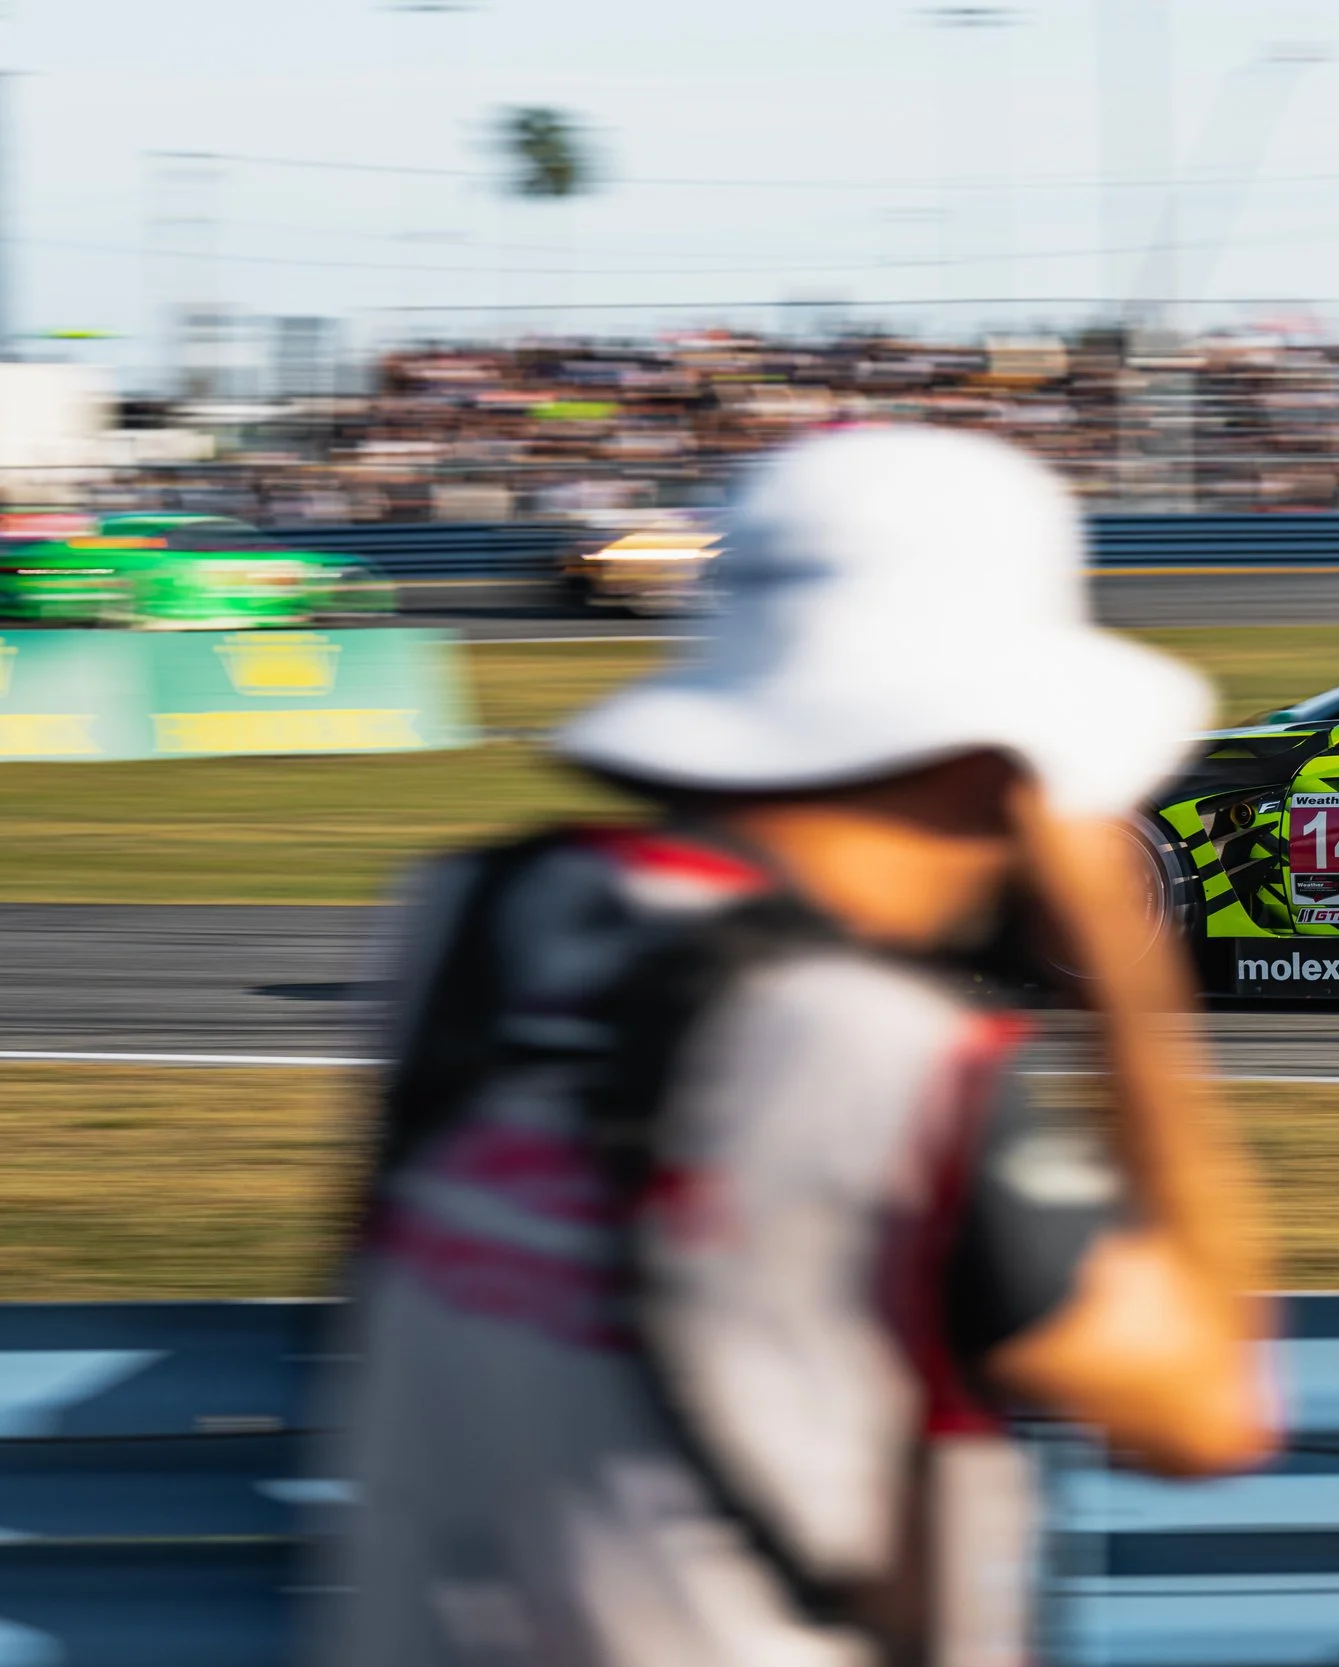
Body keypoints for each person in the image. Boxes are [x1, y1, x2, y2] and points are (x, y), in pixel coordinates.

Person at [315, 425, 1276, 1667]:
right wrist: (1128, 970)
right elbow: (1203, 1412)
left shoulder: (457, 925)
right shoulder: (891, 1056)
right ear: (1003, 757)